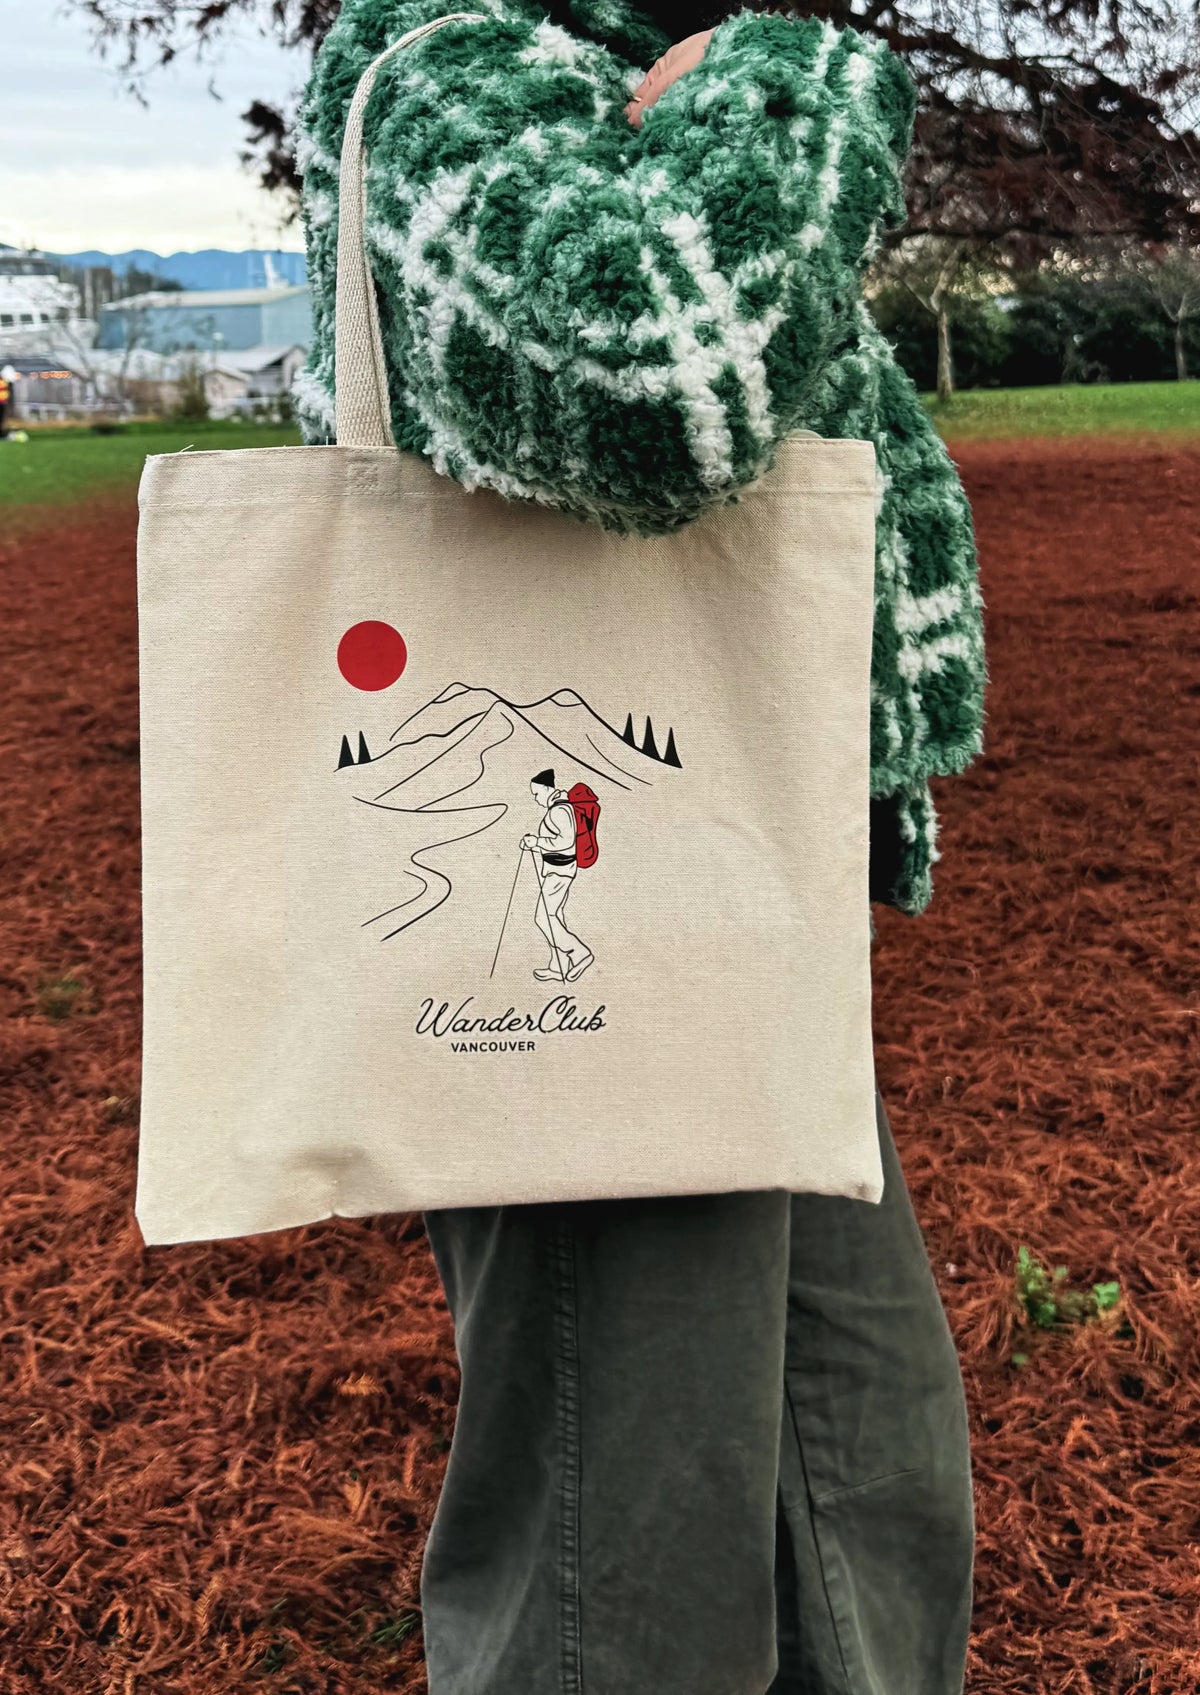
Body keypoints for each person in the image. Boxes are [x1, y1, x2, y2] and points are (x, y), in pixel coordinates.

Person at [296, 3, 984, 1691]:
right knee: (625, 1580)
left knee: (862, 1498)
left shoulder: (612, 72)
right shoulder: (452, 62)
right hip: (591, 949)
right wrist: (792, 92)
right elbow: (653, 375)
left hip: (732, 901)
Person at [520, 769, 595, 983]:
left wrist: (537, 842)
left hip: (558, 872)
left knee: (543, 917)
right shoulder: (559, 808)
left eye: (536, 794)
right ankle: (559, 966)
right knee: (556, 916)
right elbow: (556, 843)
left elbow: (565, 842)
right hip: (558, 869)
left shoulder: (559, 811)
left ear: (546, 789)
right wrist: (535, 845)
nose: (535, 799)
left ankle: (579, 954)